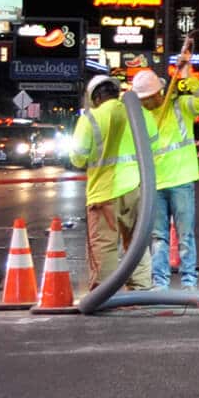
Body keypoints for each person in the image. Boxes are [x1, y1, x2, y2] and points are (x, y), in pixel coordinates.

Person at [138, 46, 199, 290]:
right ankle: (161, 283)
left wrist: (186, 75)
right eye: (142, 100)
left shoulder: (180, 106)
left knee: (185, 237)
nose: (145, 103)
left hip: (181, 179)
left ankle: (189, 282)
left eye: (147, 98)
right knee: (158, 237)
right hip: (155, 184)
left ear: (157, 93)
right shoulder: (142, 114)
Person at [67, 73, 148, 293]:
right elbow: (154, 143)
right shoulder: (136, 112)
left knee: (104, 245)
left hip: (104, 191)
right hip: (135, 188)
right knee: (137, 241)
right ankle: (141, 290)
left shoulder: (90, 118)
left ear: (95, 97)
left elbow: (78, 157)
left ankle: (105, 293)